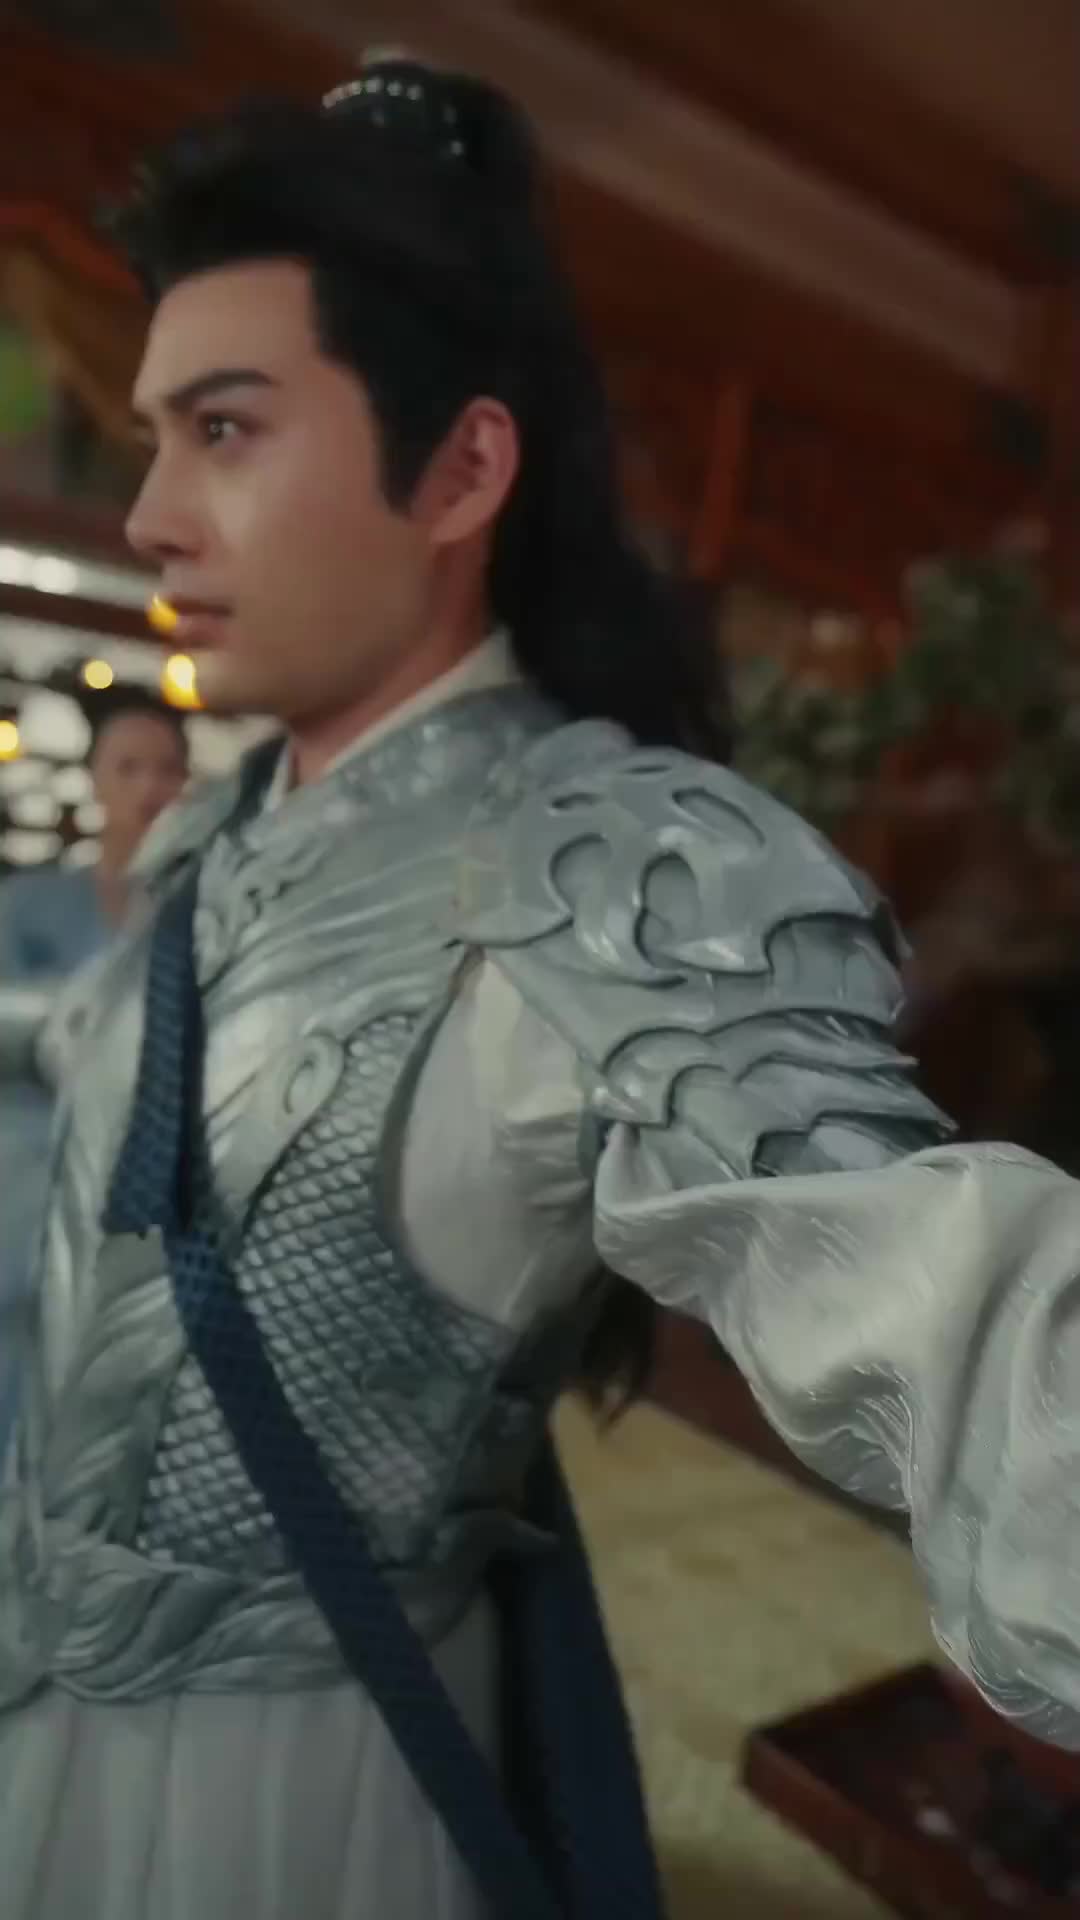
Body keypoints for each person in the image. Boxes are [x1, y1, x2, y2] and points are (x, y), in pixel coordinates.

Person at [0, 57, 1079, 1919]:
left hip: (293, 1777)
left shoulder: (608, 865)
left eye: (227, 429)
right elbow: (100, 1063)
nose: (158, 510)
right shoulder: (217, 830)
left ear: (463, 469)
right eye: (157, 434)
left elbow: (956, 1295)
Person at [0, 689, 187, 1445]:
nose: (150, 787)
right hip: (19, 1195)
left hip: (139, 1207)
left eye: (167, 769)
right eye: (129, 767)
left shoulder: (198, 915)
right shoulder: (27, 904)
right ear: (95, 779)